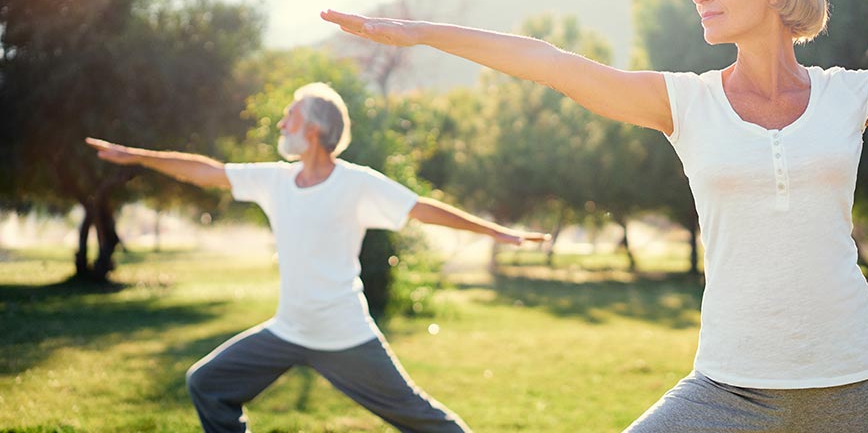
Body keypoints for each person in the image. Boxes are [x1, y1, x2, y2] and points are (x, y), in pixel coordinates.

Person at [319, 0, 868, 432]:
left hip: (860, 383)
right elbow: (546, 62)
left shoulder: (850, 97)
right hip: (732, 390)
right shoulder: (685, 103)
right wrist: (417, 32)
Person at [86, 82, 546, 433]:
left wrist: (499, 233)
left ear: (315, 129)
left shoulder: (357, 183)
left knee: (424, 420)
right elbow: (207, 172)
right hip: (287, 330)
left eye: (290, 115)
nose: (282, 123)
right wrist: (134, 156)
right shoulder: (275, 180)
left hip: (344, 335)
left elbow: (422, 209)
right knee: (206, 383)